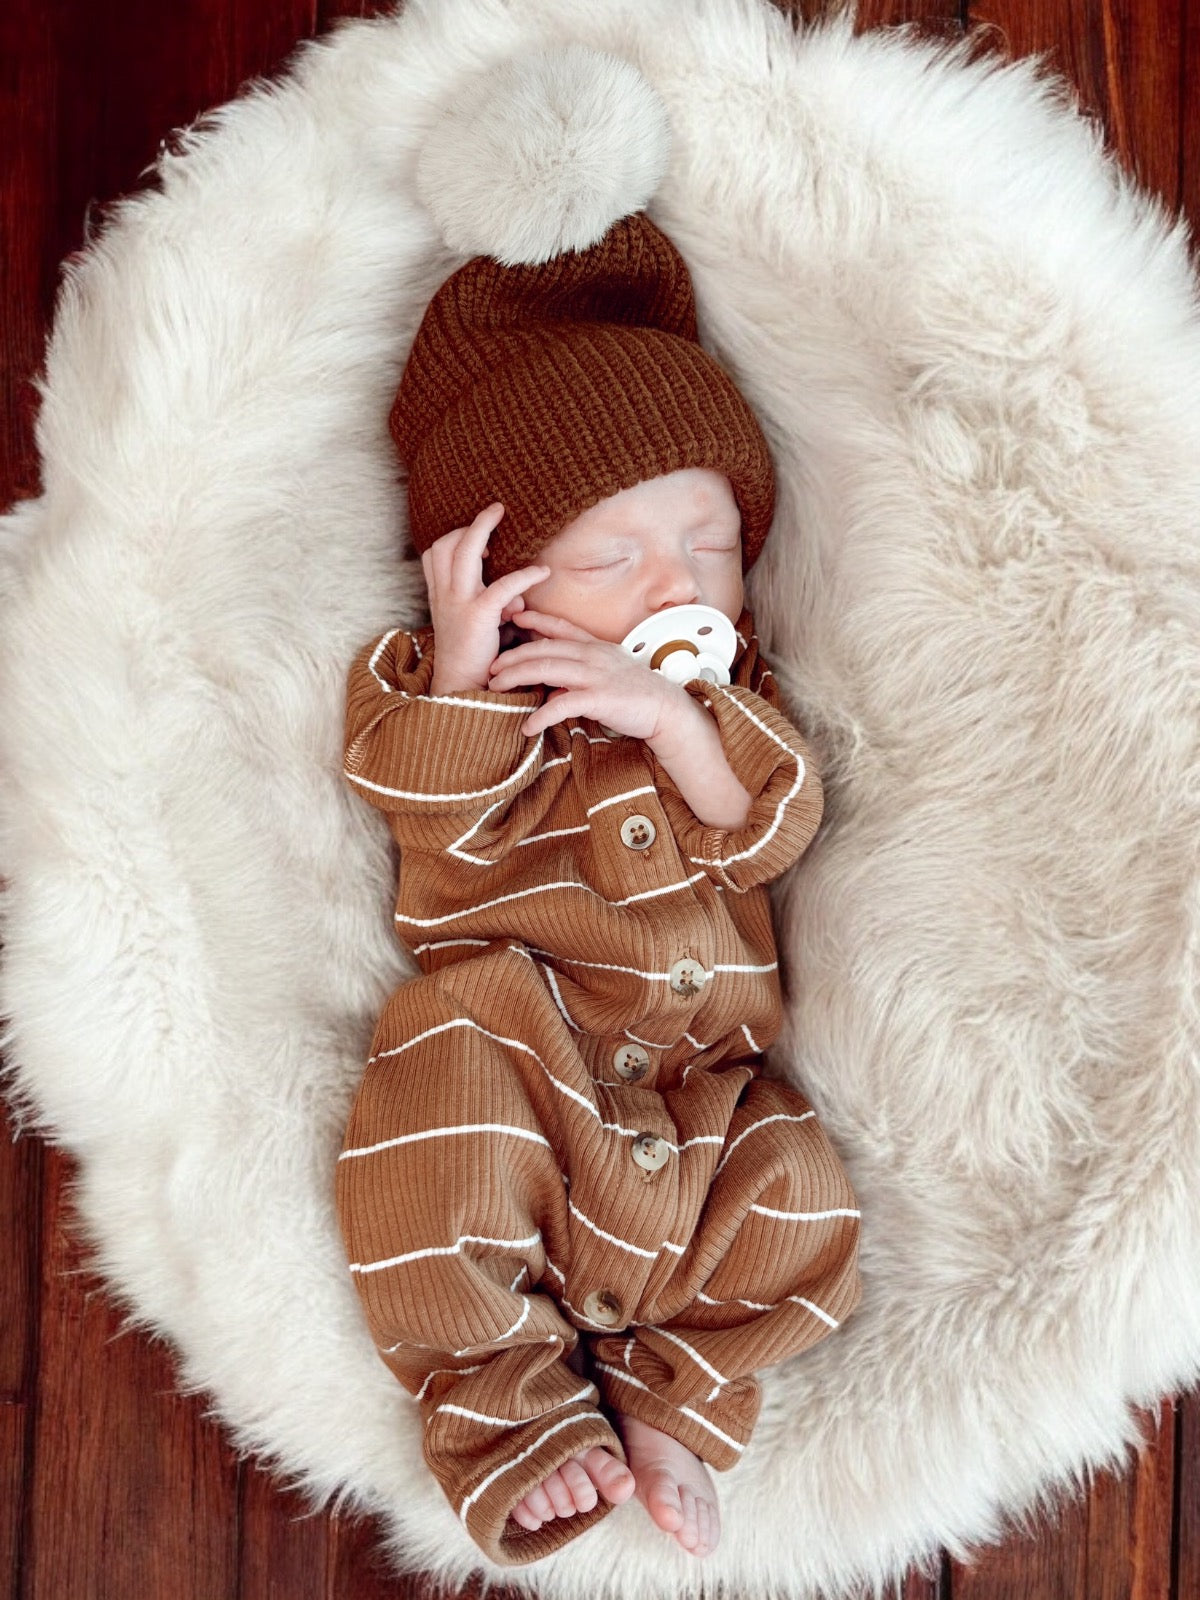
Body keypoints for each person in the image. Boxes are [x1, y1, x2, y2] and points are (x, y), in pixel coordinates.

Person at [335, 209, 861, 1568]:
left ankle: (677, 1396)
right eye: (612, 557)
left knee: (805, 1193)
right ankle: (507, 1410)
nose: (678, 582)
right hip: (530, 1079)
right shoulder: (462, 704)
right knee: (427, 1101)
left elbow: (770, 832)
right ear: (507, 591)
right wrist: (463, 673)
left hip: (702, 1110)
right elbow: (427, 824)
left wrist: (677, 722)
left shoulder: (731, 710)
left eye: (712, 543)